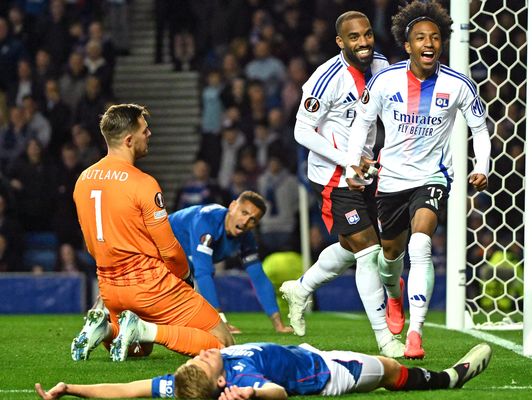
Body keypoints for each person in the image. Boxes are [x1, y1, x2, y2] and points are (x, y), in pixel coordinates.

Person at [345, 0, 492, 359]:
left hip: (433, 176)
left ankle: (415, 333)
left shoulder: (459, 85)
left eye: (436, 38)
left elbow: (480, 129)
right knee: (390, 255)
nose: (429, 43)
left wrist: (482, 166)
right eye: (421, 38)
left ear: (442, 43)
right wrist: (354, 164)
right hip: (391, 178)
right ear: (407, 45)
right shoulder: (384, 80)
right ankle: (394, 295)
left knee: (421, 244)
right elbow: (363, 122)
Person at [280, 11, 404, 357]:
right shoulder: (325, 79)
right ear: (340, 42)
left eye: (366, 35)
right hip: (334, 176)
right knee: (369, 252)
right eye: (354, 37)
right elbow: (301, 130)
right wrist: (345, 159)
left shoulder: (380, 66)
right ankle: (385, 339)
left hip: (365, 172)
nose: (363, 43)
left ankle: (301, 288)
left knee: (353, 248)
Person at [71, 104, 234, 362]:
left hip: (109, 288)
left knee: (137, 350)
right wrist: (185, 277)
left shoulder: (83, 180)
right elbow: (169, 249)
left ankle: (105, 329)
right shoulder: (143, 184)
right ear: (128, 139)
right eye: (144, 130)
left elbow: (91, 245)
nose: (149, 135)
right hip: (150, 286)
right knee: (224, 343)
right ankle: (144, 327)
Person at [34, 342, 492, 399]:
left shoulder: (183, 385)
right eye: (200, 360)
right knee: (391, 370)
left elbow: (131, 389)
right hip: (327, 373)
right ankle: (449, 379)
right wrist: (254, 397)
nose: (195, 356)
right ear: (220, 382)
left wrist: (72, 386)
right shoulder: (240, 382)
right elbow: (275, 393)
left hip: (303, 352)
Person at [168, 191, 293, 334]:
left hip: (181, 262)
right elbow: (203, 272)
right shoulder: (207, 221)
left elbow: (259, 278)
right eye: (244, 213)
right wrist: (221, 323)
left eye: (253, 219)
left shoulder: (246, 238)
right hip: (152, 248)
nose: (245, 222)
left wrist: (278, 324)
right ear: (232, 206)